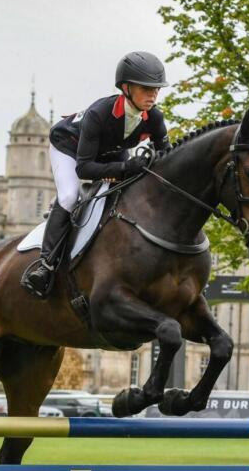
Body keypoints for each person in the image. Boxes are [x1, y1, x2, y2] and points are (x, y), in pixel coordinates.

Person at [21, 51, 171, 298]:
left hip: (111, 152)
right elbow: (85, 169)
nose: (153, 95)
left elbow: (165, 156)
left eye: (156, 89)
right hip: (69, 147)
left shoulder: (154, 117)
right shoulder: (99, 113)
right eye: (147, 89)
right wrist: (125, 168)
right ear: (126, 88)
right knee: (70, 196)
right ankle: (45, 265)